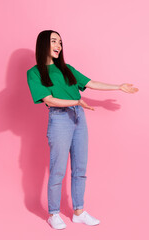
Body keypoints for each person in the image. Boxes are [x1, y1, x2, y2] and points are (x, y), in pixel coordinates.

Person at [27, 30, 139, 230]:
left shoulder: (67, 68)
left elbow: (91, 83)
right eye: (54, 41)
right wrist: (76, 101)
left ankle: (78, 212)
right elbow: (49, 99)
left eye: (60, 42)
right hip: (59, 118)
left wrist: (118, 87)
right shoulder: (34, 72)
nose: (58, 45)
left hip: (79, 117)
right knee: (58, 169)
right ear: (43, 44)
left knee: (80, 168)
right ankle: (53, 214)